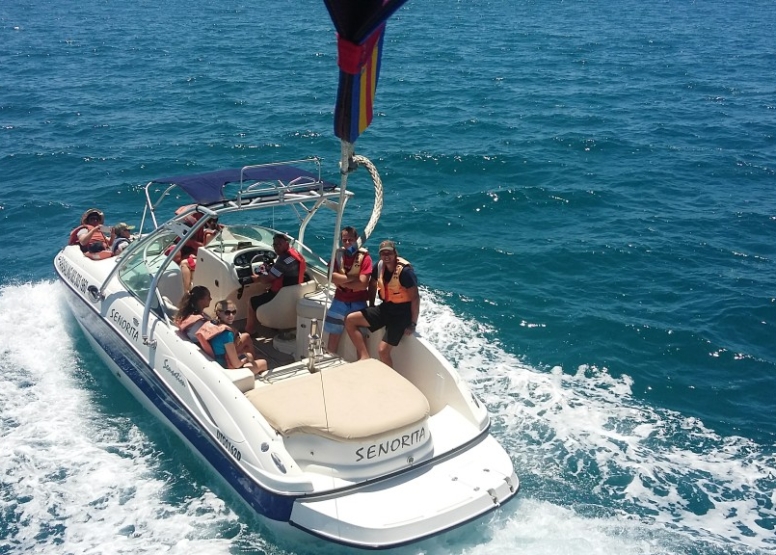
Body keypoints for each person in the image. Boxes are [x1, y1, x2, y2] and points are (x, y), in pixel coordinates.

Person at [344, 240, 420, 369]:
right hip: (386, 308)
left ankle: (389, 380)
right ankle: (364, 357)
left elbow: (415, 298)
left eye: (389, 253)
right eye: (383, 254)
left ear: (395, 253)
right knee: (350, 320)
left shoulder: (405, 272)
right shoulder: (379, 266)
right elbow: (372, 283)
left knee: (382, 351)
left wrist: (413, 323)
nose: (386, 257)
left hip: (402, 315)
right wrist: (372, 304)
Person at [245, 233, 307, 335]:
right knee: (266, 291)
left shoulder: (282, 260)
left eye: (279, 244)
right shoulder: (295, 255)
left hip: (280, 296)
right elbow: (281, 272)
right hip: (294, 294)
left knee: (252, 301)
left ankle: (249, 330)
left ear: (287, 244)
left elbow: (267, 279)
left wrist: (256, 278)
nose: (276, 247)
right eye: (274, 244)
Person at [324, 226, 373, 353]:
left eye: (350, 240)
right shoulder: (337, 255)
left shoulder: (365, 258)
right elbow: (330, 276)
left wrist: (342, 281)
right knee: (333, 334)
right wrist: (352, 278)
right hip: (339, 300)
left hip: (358, 301)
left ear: (356, 240)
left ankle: (362, 363)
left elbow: (362, 284)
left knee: (361, 335)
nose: (347, 243)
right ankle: (330, 359)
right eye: (344, 240)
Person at [198, 300, 267, 375]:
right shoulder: (227, 334)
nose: (231, 315)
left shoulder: (212, 324)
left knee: (246, 336)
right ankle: (252, 368)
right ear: (219, 313)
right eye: (227, 312)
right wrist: (246, 358)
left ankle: (253, 360)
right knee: (263, 363)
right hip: (226, 369)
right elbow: (236, 364)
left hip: (217, 356)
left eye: (234, 312)